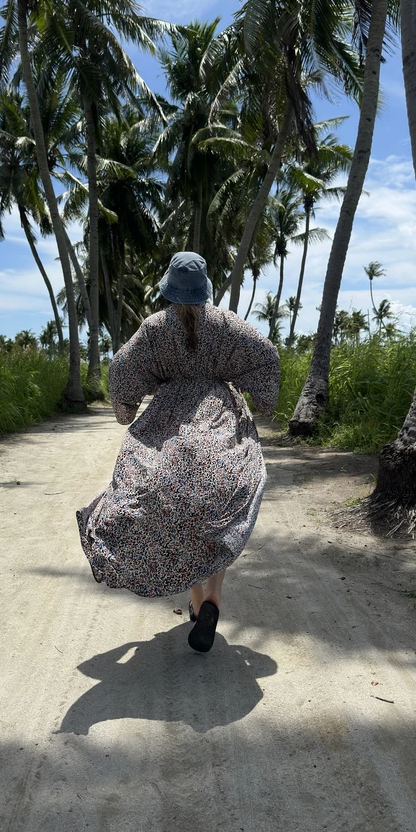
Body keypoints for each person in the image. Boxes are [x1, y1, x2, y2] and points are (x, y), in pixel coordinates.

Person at [76, 252, 280, 653]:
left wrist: (126, 409)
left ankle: (197, 601)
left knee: (173, 507)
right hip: (219, 412)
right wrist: (261, 400)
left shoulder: (154, 327)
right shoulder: (224, 323)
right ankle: (215, 599)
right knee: (222, 510)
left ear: (170, 286)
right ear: (205, 286)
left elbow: (121, 368)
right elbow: (266, 354)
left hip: (170, 414)